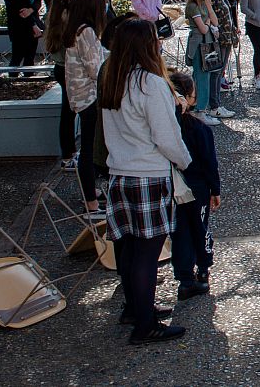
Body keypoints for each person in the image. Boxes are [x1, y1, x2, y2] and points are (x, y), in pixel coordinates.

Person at [98, 17, 192, 345]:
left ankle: (136, 309)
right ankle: (145, 324)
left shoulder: (113, 77)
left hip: (120, 174)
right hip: (148, 175)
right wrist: (185, 162)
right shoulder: (149, 84)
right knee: (147, 254)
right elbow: (166, 136)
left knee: (130, 249)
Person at [58, 0, 110, 214]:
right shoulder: (86, 31)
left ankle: (91, 193)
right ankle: (91, 201)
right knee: (90, 150)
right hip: (89, 97)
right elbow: (95, 69)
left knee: (88, 149)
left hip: (80, 96)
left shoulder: (75, 28)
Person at [169, 71, 221, 301]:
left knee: (180, 232)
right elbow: (210, 163)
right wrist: (215, 189)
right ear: (189, 98)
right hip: (198, 187)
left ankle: (184, 277)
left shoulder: (169, 128)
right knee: (200, 228)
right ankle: (203, 268)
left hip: (174, 186)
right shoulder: (200, 129)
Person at [44, 0, 77, 170]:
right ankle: (68, 154)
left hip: (59, 68)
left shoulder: (52, 17)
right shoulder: (67, 20)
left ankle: (68, 152)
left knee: (68, 113)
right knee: (70, 113)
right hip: (69, 69)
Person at [184, 0, 223, 126]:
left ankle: (200, 109)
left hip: (207, 43)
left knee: (205, 75)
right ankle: (199, 109)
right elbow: (203, 28)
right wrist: (207, 23)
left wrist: (208, 5)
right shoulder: (193, 6)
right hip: (199, 44)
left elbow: (215, 21)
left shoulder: (203, 4)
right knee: (202, 78)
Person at [0, 0, 44, 74]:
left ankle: (28, 77)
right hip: (19, 25)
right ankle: (12, 77)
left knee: (30, 56)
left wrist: (31, 9)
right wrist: (33, 24)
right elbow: (18, 7)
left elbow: (38, 0)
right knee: (17, 55)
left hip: (33, 20)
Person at [202, 0, 240, 100]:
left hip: (228, 36)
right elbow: (208, 15)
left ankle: (216, 102)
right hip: (218, 37)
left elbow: (228, 13)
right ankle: (214, 103)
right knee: (216, 71)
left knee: (220, 70)